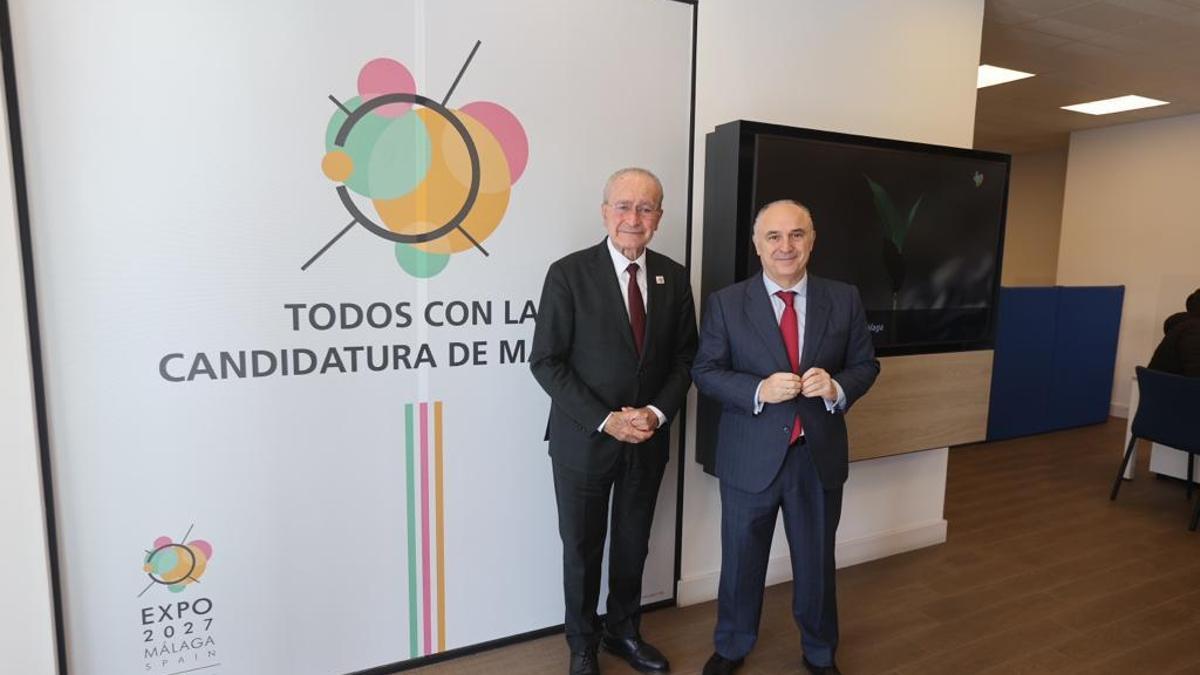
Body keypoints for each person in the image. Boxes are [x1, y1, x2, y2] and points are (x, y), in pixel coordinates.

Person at [691, 200, 879, 675]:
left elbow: (865, 364)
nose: (786, 246)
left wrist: (837, 387)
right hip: (749, 457)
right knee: (740, 563)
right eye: (774, 236)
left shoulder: (845, 297)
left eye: (797, 235)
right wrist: (757, 389)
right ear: (757, 245)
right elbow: (705, 371)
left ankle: (820, 653)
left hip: (816, 458)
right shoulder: (727, 302)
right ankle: (732, 646)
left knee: (816, 566)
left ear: (812, 241)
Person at [530, 167, 698, 675]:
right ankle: (582, 643)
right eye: (623, 206)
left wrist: (654, 412)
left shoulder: (673, 275)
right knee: (582, 548)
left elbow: (685, 359)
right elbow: (546, 361)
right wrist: (607, 420)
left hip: (647, 440)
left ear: (659, 218)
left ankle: (624, 632)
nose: (633, 218)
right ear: (605, 212)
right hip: (583, 441)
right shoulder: (568, 273)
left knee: (632, 542)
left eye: (645, 208)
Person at [1148, 289, 1200, 378]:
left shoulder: (1183, 326)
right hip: (1174, 390)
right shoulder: (1194, 331)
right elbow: (1195, 375)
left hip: (1163, 389)